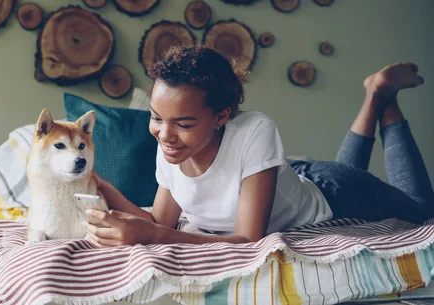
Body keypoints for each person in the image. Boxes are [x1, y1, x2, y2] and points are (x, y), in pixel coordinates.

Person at [83, 45, 433, 247]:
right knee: (345, 170)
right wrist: (104, 188)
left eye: (184, 123)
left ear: (221, 116)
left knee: (420, 211)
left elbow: (248, 238)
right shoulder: (171, 144)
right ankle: (375, 97)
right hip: (292, 180)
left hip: (338, 192)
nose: (164, 134)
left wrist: (156, 237)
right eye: (157, 117)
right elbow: (160, 220)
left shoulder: (254, 130)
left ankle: (384, 101)